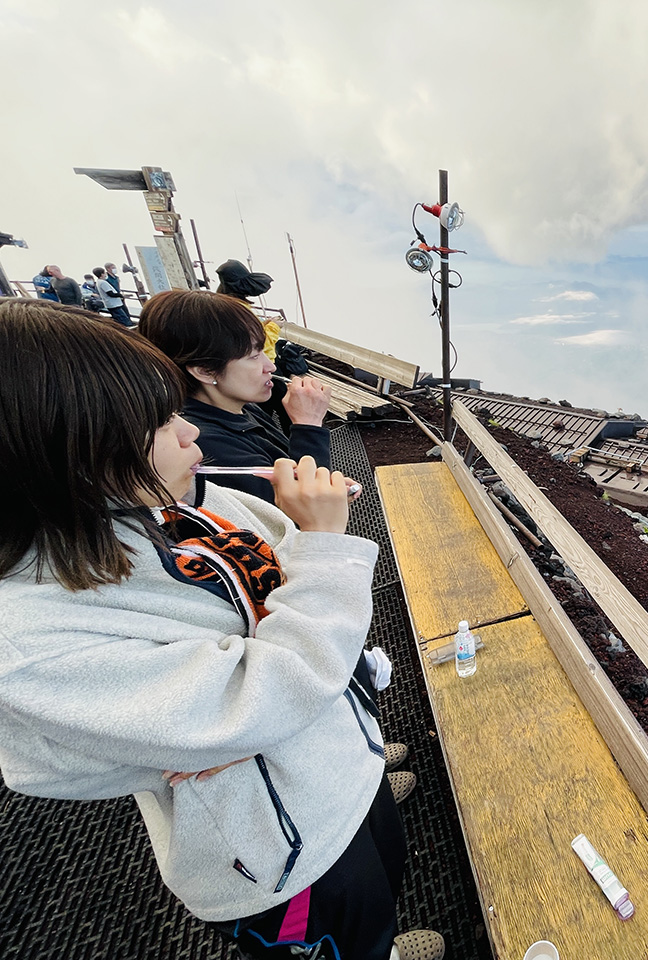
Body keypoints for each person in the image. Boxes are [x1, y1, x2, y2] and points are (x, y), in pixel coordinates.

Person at [0, 299, 443, 960]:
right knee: (341, 931)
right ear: (58, 453)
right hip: (278, 856)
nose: (189, 436)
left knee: (380, 891)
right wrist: (183, 736)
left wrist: (231, 710)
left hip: (339, 764)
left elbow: (305, 639)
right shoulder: (29, 635)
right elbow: (273, 687)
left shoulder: (185, 505)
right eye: (155, 422)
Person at [137, 290, 331, 504]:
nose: (271, 366)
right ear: (205, 371)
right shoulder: (207, 445)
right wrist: (308, 425)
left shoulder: (238, 406)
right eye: (254, 356)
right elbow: (303, 514)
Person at [216, 259, 293, 433]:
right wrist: (274, 327)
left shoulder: (224, 306)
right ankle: (298, 446)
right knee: (286, 408)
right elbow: (258, 346)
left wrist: (263, 324)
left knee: (262, 412)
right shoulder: (238, 309)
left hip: (248, 370)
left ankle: (272, 442)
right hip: (260, 368)